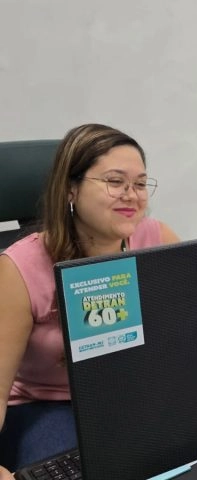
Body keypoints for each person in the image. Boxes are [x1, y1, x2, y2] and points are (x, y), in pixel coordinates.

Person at [0, 123, 180, 476]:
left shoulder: (157, 239)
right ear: (71, 189)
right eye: (115, 181)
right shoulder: (20, 267)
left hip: (133, 393)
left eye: (140, 184)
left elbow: (192, 331)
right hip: (50, 403)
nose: (131, 195)